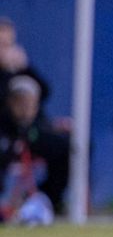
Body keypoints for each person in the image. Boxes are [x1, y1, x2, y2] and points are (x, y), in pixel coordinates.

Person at [0, 74, 70, 225]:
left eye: (29, 101)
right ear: (10, 102)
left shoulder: (41, 126)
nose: (24, 106)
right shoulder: (4, 126)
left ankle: (45, 200)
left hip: (35, 191)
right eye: (19, 101)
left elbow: (59, 146)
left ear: (36, 104)